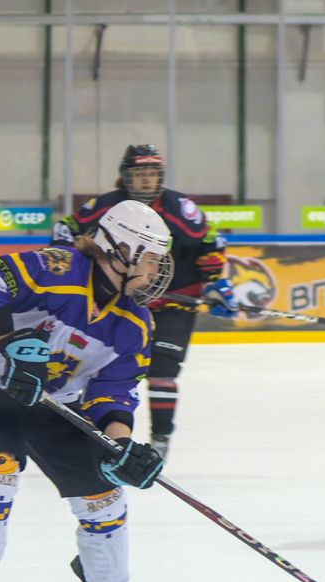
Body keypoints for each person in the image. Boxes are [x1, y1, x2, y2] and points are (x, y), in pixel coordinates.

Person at [0, 199, 173, 582]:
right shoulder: (57, 268)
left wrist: (120, 444)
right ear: (121, 250)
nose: (157, 271)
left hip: (52, 401)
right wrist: (10, 342)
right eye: (152, 259)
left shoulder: (134, 323)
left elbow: (114, 390)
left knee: (104, 493)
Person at [53, 144, 232, 459]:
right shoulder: (107, 205)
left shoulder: (180, 207)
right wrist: (67, 262)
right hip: (125, 302)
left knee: (163, 371)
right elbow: (65, 229)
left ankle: (160, 439)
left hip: (175, 302)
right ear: (125, 177)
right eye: (139, 174)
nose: (146, 180)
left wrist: (216, 281)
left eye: (151, 173)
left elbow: (210, 242)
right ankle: (96, 431)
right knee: (102, 368)